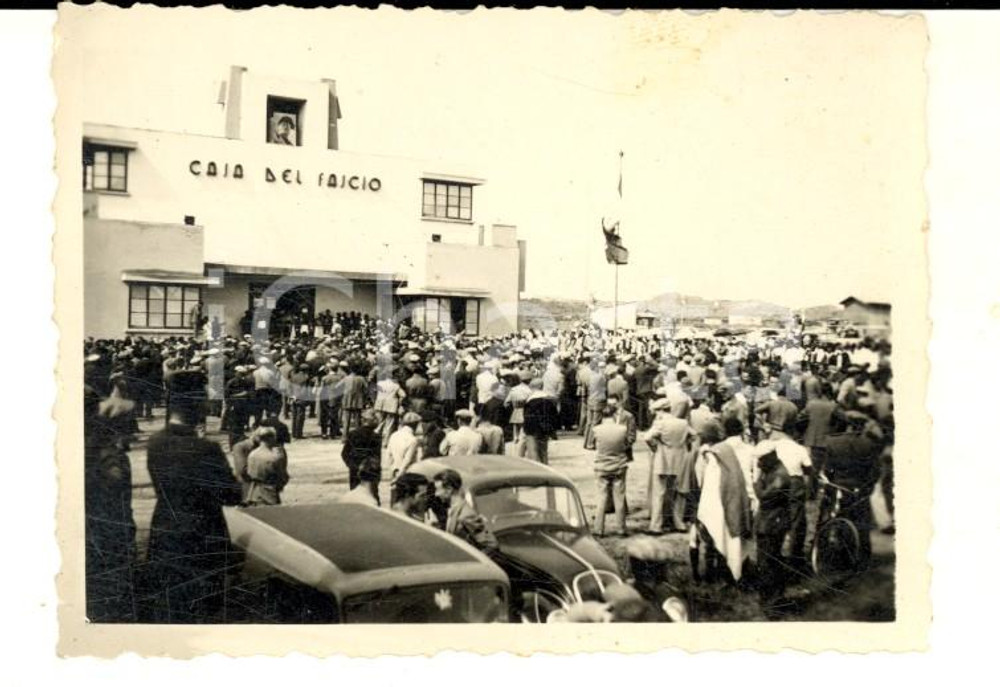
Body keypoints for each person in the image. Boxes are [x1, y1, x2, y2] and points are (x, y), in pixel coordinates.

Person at [142, 370, 242, 623]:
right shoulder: (206, 449)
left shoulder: (155, 442)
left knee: (171, 605)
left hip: (165, 528)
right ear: (195, 403)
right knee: (204, 609)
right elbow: (232, 495)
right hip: (203, 534)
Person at [643, 398, 693, 533]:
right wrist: (684, 444)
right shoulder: (683, 423)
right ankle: (678, 523)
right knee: (678, 492)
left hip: (663, 459)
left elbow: (647, 437)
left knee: (659, 493)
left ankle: (656, 525)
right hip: (680, 459)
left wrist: (654, 446)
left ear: (661, 411)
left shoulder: (660, 423)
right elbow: (693, 435)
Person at [753, 443, 792, 602]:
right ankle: (770, 595)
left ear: (771, 457)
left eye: (761, 460)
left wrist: (756, 482)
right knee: (766, 559)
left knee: (769, 560)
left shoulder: (780, 477)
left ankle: (773, 596)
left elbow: (764, 496)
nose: (758, 464)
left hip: (773, 523)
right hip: (768, 522)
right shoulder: (771, 471)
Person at [432, 468, 498, 550]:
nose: (436, 494)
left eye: (438, 490)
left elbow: (492, 545)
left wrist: (470, 558)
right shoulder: (454, 509)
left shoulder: (466, 515)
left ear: (449, 489)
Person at [591, 406, 630, 537]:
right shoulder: (622, 429)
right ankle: (621, 529)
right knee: (619, 497)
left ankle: (598, 529)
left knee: (601, 498)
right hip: (619, 465)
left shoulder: (596, 429)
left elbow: (592, 445)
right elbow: (626, 445)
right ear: (615, 415)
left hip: (602, 465)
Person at [341, 408, 382, 501]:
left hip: (354, 471)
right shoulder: (376, 437)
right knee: (372, 497)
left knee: (355, 496)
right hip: (370, 472)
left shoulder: (353, 434)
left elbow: (344, 453)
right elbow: (377, 457)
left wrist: (352, 465)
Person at [245, 427, 290, 506]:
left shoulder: (252, 454)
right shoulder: (274, 457)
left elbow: (249, 473)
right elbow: (282, 477)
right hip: (270, 492)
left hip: (253, 492)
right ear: (271, 438)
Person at [520, 378, 559, 464]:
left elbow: (526, 417)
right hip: (544, 429)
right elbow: (554, 416)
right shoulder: (550, 400)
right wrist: (552, 430)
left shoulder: (529, 401)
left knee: (533, 453)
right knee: (543, 452)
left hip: (531, 430)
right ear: (542, 386)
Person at [387, 411, 421, 484]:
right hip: (407, 474)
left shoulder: (394, 435)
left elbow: (389, 455)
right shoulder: (413, 440)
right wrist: (399, 476)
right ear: (415, 425)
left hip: (395, 470)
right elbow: (407, 460)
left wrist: (393, 469)